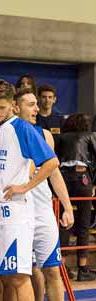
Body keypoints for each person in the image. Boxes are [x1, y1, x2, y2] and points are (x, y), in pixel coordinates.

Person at [0, 79, 58, 301]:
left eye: (2, 107)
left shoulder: (23, 128)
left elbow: (51, 162)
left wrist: (24, 186)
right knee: (5, 278)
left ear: (13, 105)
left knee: (19, 277)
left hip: (17, 214)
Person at [13, 88, 79, 301]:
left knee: (51, 269)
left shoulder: (44, 135)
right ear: (15, 107)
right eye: (30, 104)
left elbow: (55, 173)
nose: (36, 109)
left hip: (41, 211)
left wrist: (67, 206)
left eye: (35, 104)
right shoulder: (2, 134)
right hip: (17, 210)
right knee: (17, 273)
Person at [57, 114, 96, 281]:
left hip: (64, 178)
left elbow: (54, 160)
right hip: (82, 178)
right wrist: (94, 184)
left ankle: (62, 267)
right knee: (84, 223)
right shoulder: (89, 136)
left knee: (64, 221)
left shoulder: (61, 138)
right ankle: (83, 268)